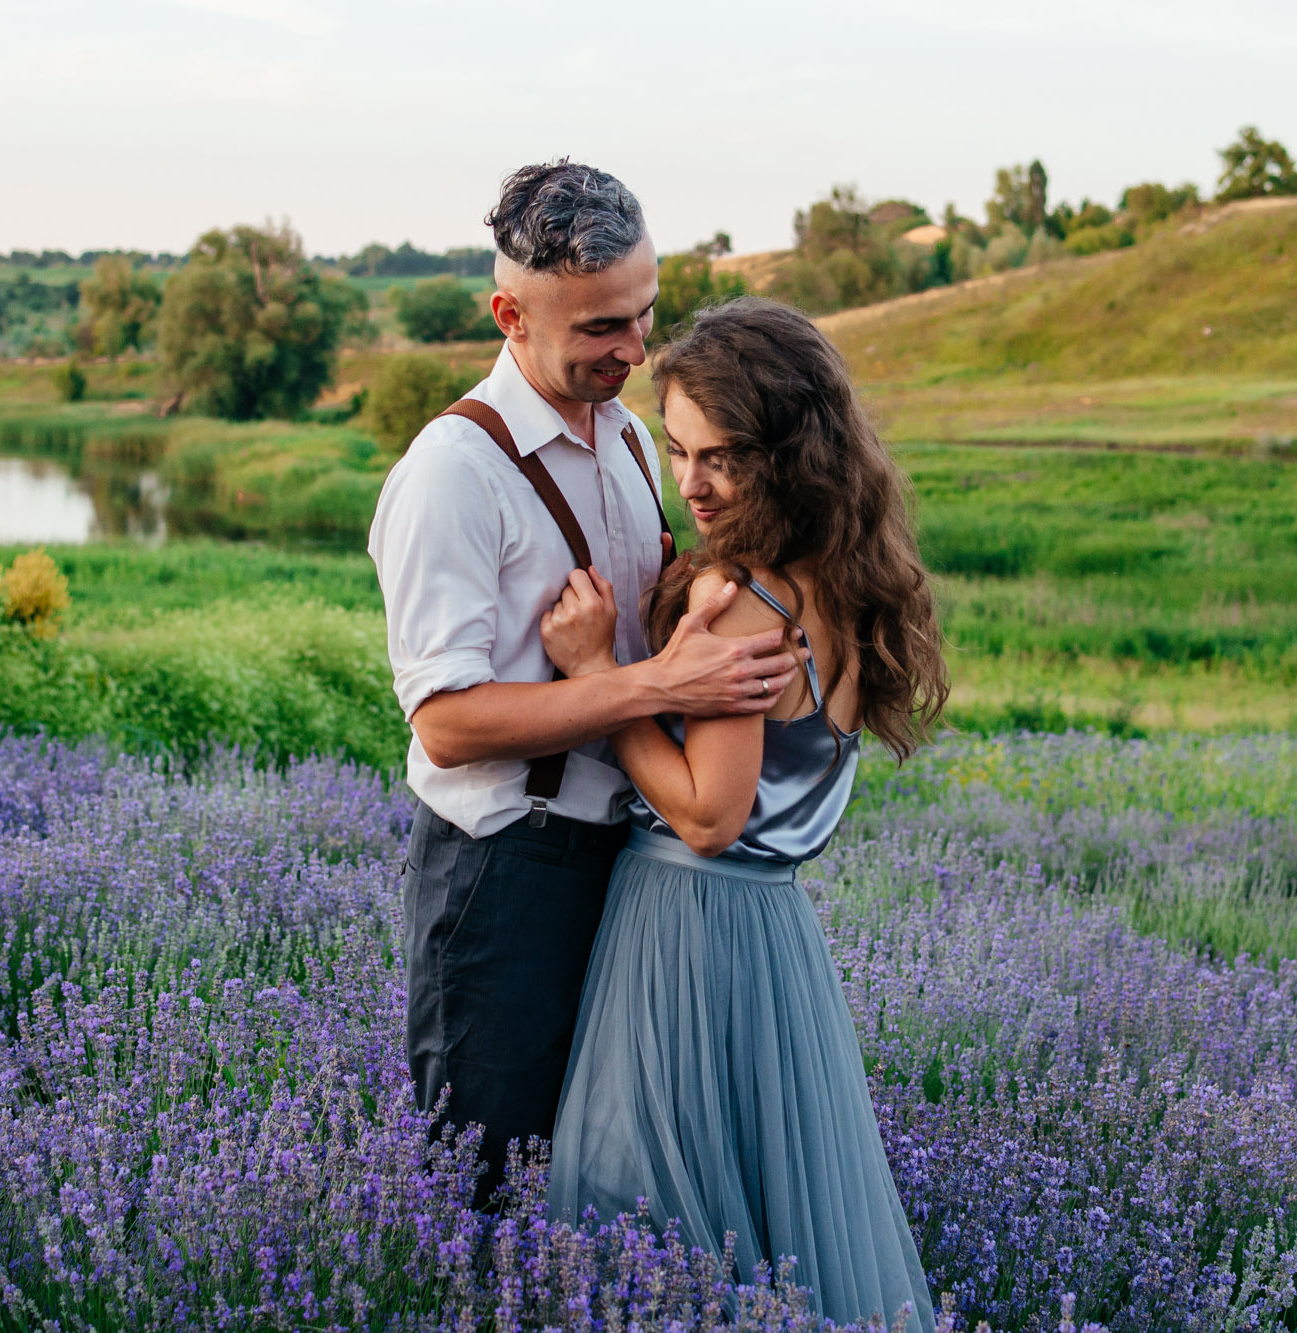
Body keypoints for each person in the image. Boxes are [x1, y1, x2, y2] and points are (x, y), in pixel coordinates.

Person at [367, 163, 807, 1207]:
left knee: (592, 1189)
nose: (635, 350)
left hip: (625, 864)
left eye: (644, 315)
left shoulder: (624, 437)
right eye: (602, 327)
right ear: (509, 314)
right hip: (503, 880)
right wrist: (641, 679)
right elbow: (446, 724)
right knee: (482, 1191)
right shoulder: (451, 474)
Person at [540, 297, 950, 1327]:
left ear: (789, 453)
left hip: (686, 925)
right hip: (771, 938)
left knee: (645, 1210)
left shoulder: (744, 600)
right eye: (676, 451)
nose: (691, 483)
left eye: (719, 457)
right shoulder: (845, 580)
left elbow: (708, 815)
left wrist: (601, 673)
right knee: (774, 1218)